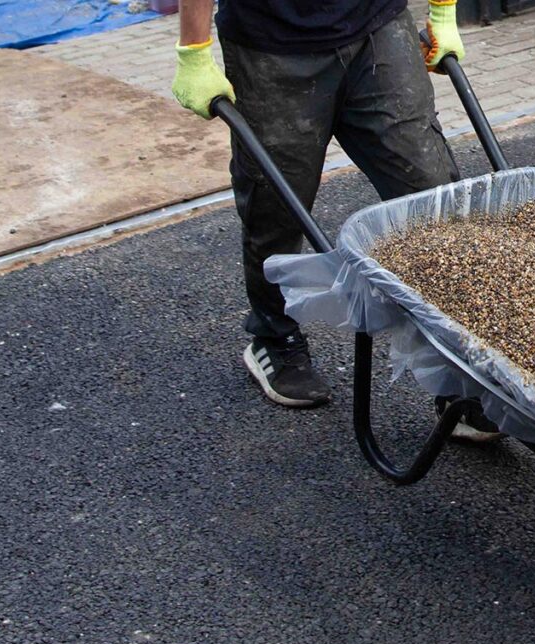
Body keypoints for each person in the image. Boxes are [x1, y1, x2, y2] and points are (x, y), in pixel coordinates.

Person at [171, 0, 500, 440]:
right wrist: (193, 52)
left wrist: (442, 12)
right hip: (272, 46)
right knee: (277, 207)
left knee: (431, 197)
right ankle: (274, 336)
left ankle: (457, 377)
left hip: (377, 26)